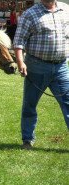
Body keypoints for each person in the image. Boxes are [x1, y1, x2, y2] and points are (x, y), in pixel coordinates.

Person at [13, 0, 69, 150]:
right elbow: (19, 41)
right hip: (36, 66)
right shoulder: (30, 14)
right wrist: (20, 62)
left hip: (61, 66)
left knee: (68, 103)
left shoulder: (66, 10)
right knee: (30, 105)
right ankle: (27, 140)